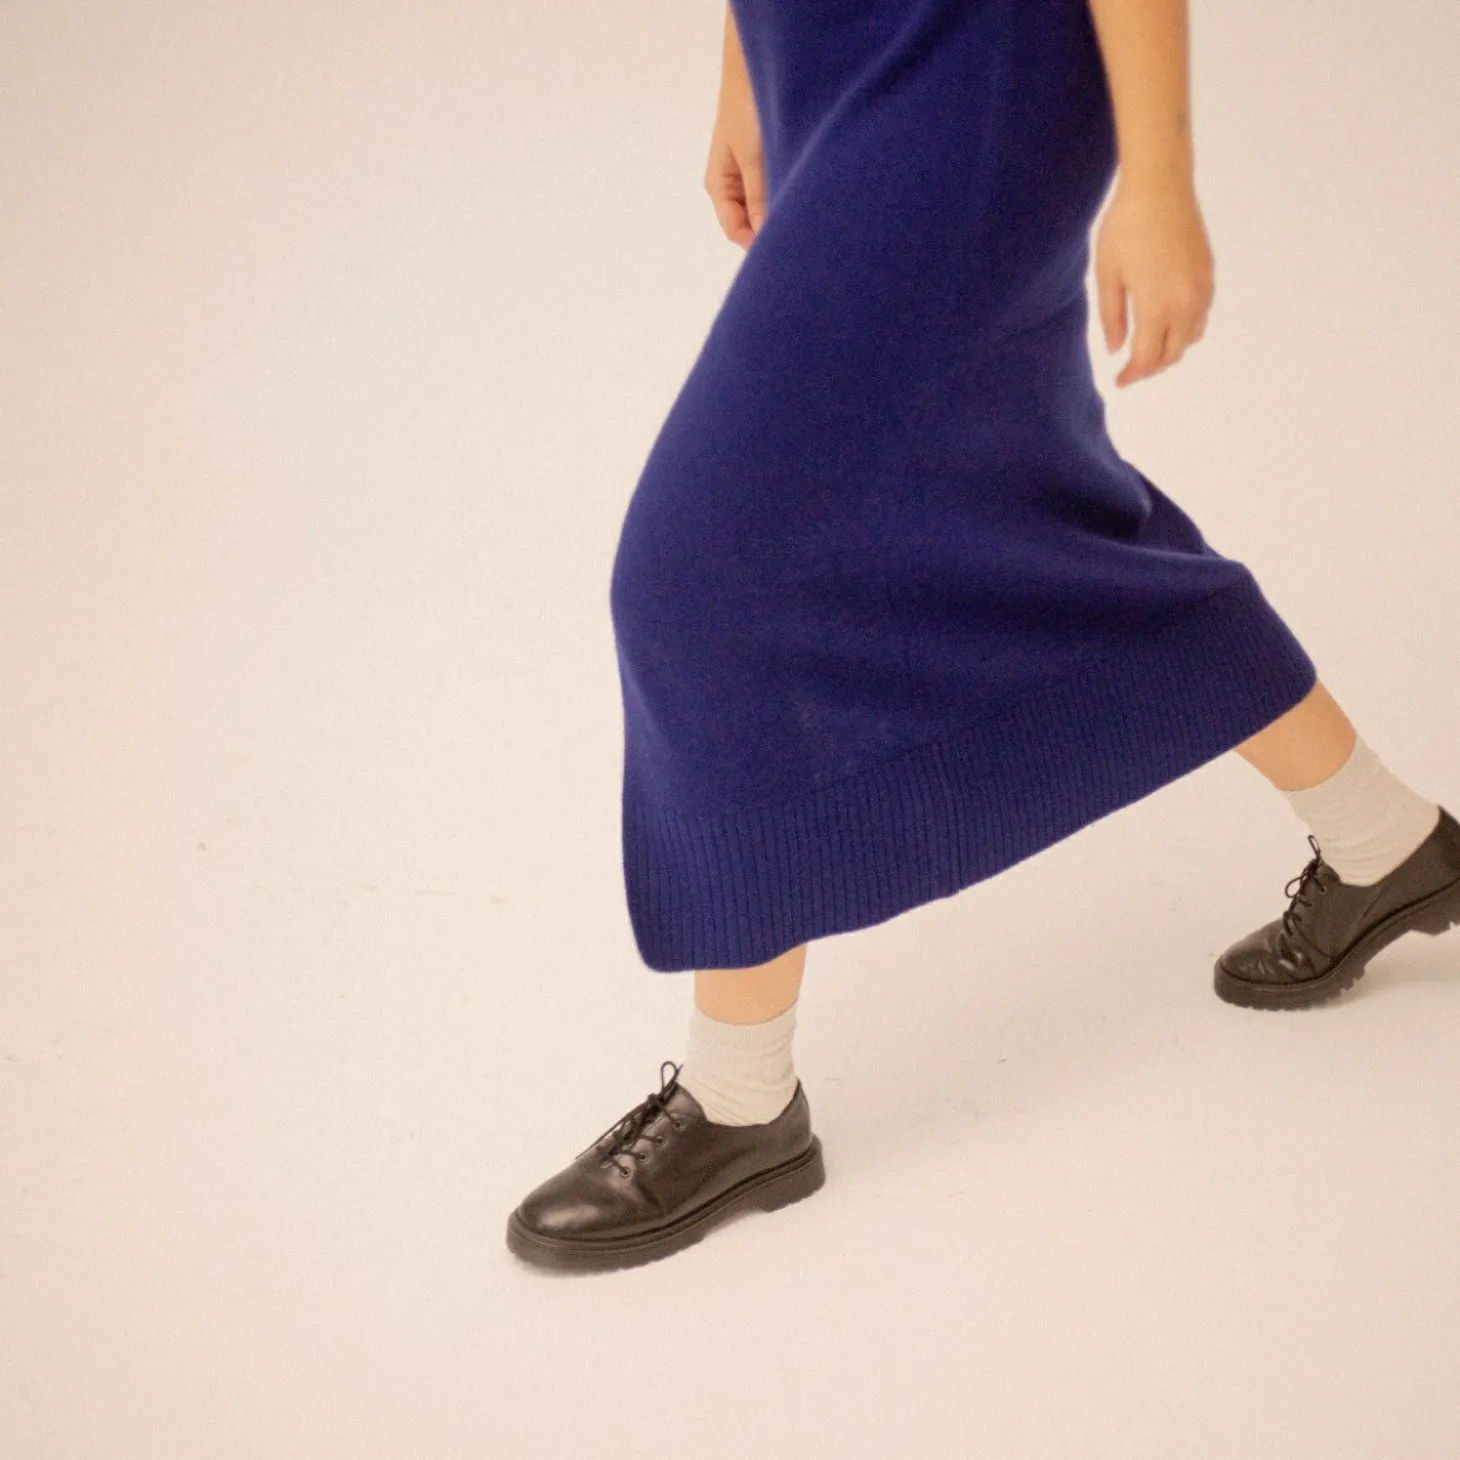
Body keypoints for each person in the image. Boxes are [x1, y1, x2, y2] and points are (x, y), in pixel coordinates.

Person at [506, 0, 1460, 1273]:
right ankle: (1384, 837)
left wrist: (1158, 178)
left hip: (969, 67)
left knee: (696, 572)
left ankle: (738, 1099)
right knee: (1019, 502)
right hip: (823, 57)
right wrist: (744, 54)